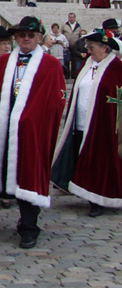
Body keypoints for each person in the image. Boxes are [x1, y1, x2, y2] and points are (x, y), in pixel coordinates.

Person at [0, 16, 66, 249]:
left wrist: (34, 119)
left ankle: (29, 226)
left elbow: (56, 101)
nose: (25, 39)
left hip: (32, 131)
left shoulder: (50, 65)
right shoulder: (3, 63)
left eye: (30, 35)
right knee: (4, 170)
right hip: (4, 128)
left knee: (29, 174)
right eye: (21, 35)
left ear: (39, 38)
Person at [52, 31, 122, 217]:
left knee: (99, 161)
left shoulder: (116, 69)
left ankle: (98, 199)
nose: (88, 51)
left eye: (92, 47)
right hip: (81, 122)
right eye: (88, 47)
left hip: (103, 125)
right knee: (82, 157)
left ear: (104, 48)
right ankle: (84, 190)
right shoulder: (86, 65)